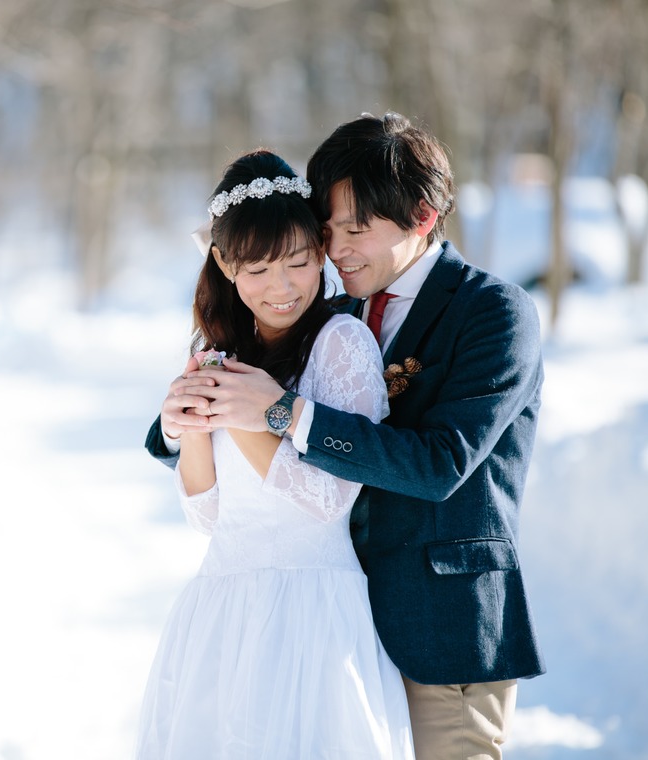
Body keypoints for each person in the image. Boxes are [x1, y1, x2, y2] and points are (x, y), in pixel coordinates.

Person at [147, 112, 545, 760]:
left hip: (439, 622)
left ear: (422, 216)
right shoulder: (332, 308)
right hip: (335, 622)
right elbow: (240, 408)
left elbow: (442, 464)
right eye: (327, 230)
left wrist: (284, 414)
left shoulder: (492, 312)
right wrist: (180, 422)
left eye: (356, 229)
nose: (337, 250)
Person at [135, 149, 415, 759]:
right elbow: (208, 517)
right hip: (220, 612)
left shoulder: (342, 343)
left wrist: (243, 413)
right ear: (223, 264)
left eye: (298, 262)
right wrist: (188, 428)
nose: (282, 288)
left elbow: (328, 500)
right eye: (258, 269)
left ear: (320, 251)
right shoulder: (221, 352)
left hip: (313, 612)